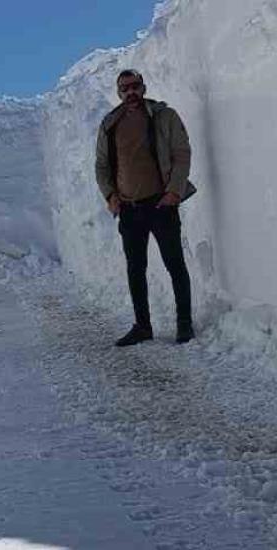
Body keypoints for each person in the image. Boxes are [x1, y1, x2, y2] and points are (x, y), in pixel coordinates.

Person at [95, 69, 195, 346]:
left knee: (175, 264)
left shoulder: (164, 116)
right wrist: (111, 196)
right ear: (118, 93)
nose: (130, 92)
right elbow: (102, 165)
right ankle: (142, 326)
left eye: (135, 86)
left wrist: (174, 191)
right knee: (135, 269)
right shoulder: (110, 124)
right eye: (124, 88)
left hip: (161, 204)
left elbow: (182, 153)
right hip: (129, 209)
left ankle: (184, 324)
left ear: (143, 87)